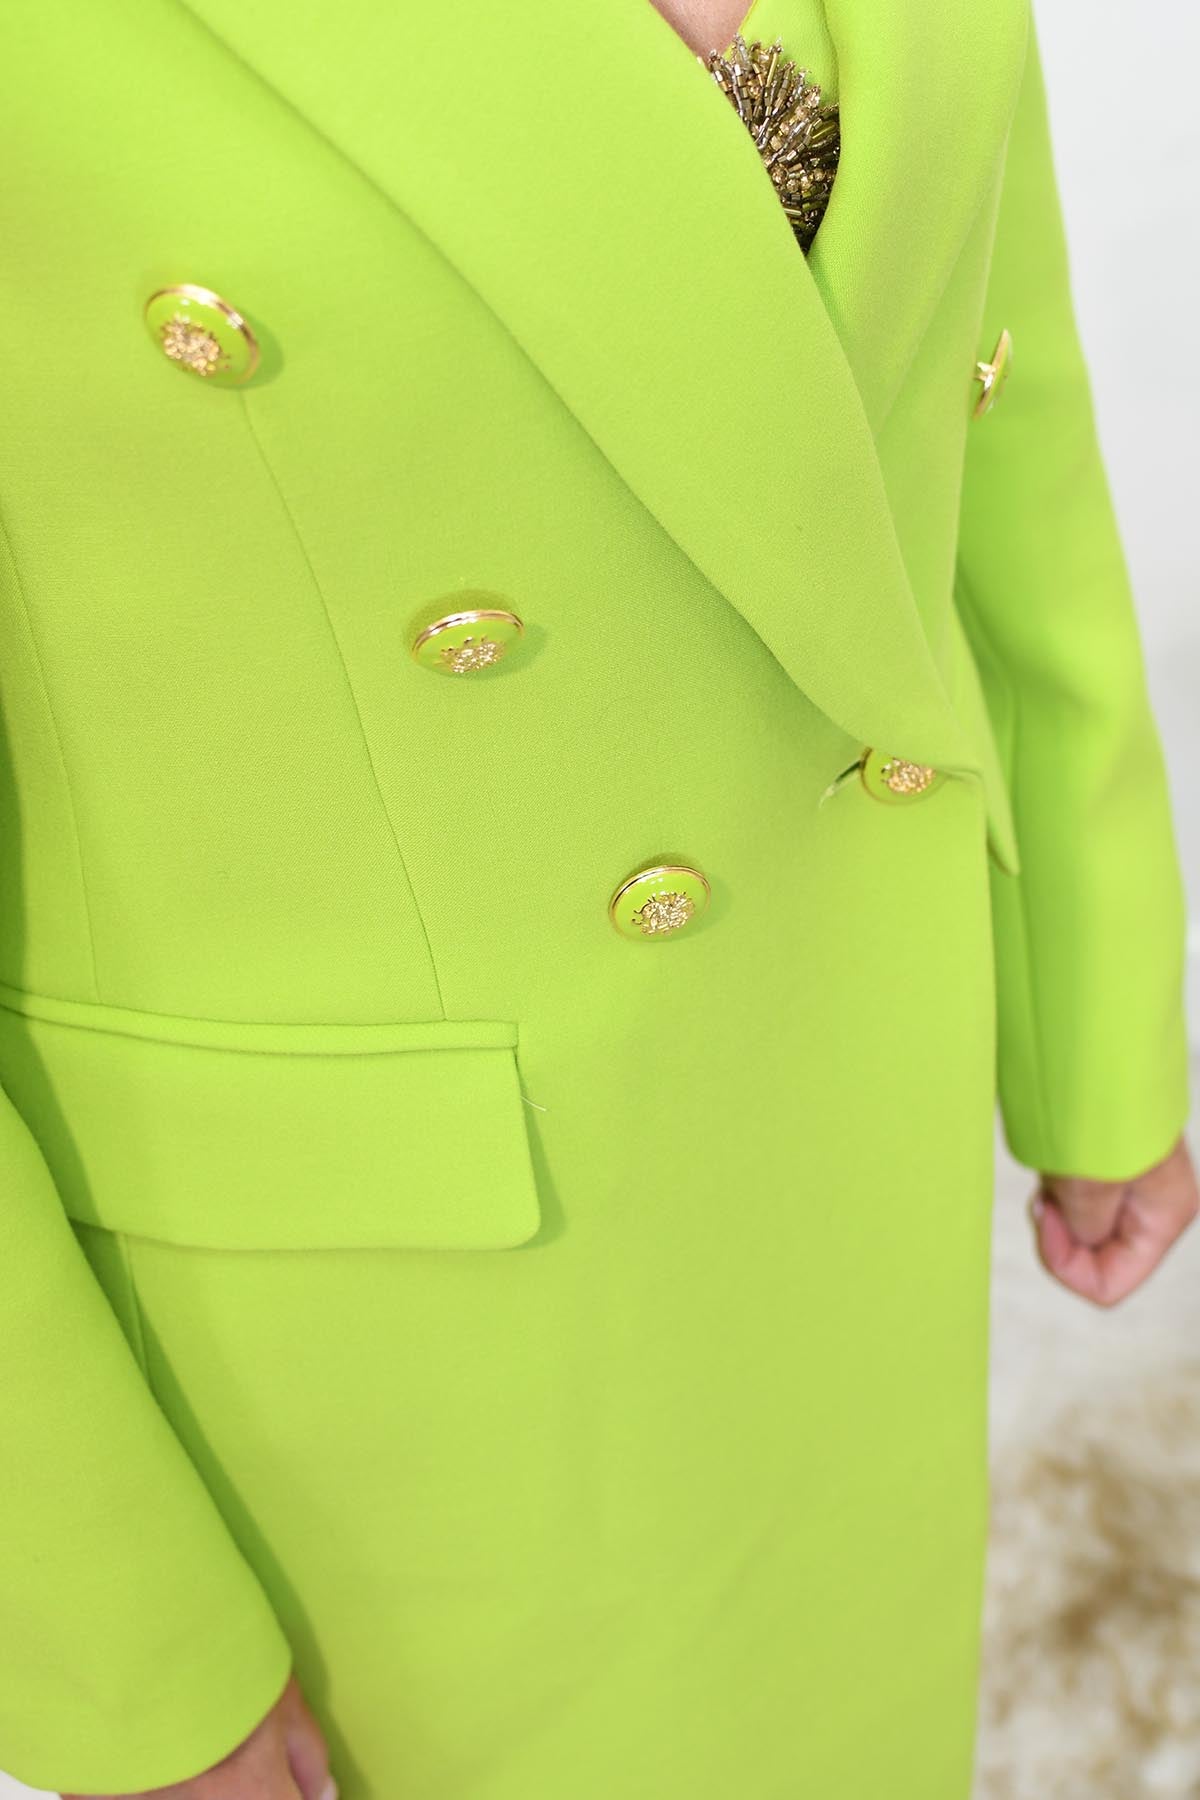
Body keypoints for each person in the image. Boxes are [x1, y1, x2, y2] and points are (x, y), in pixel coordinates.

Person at [0, 0, 1195, 1796]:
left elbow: (987, 397)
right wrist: (114, 1644)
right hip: (387, 1387)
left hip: (853, 1163)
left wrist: (1097, 1005)